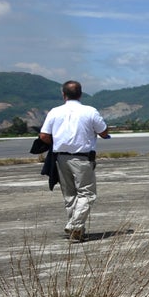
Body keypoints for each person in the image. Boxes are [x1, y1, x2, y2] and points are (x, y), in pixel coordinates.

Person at [37, 80, 110, 241]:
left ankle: (76, 232)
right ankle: (75, 225)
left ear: (64, 95)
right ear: (80, 94)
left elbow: (43, 135)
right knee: (87, 193)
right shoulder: (90, 111)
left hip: (60, 158)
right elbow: (104, 132)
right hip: (82, 158)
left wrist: (56, 142)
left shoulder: (55, 112)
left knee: (70, 195)